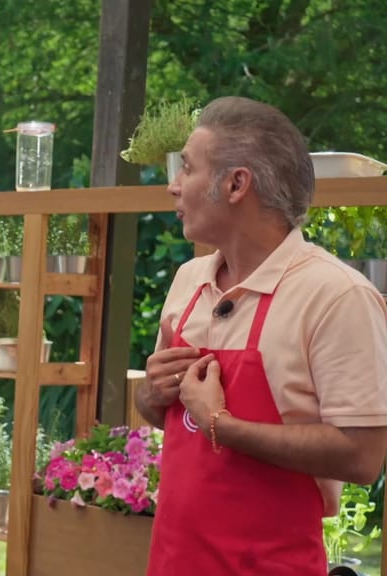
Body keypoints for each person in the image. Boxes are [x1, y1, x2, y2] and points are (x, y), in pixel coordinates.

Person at [135, 96, 387, 575]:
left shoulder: (336, 296)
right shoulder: (189, 281)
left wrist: (221, 424)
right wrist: (152, 394)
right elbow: (163, 416)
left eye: (187, 169)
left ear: (236, 184)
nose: (173, 187)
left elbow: (363, 457)